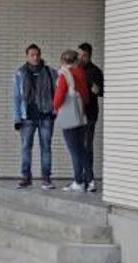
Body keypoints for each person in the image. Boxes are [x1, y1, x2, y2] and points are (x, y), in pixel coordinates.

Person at [11, 43, 56, 190]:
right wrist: (17, 118)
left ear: (40, 55)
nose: (35, 57)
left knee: (46, 147)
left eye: (37, 54)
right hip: (27, 117)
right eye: (32, 55)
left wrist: (54, 111)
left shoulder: (50, 72)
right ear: (27, 56)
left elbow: (57, 93)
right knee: (25, 147)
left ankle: (46, 178)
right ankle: (25, 176)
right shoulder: (20, 73)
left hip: (46, 116)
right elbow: (16, 97)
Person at [53, 49, 91, 192]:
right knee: (81, 149)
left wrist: (55, 108)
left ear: (63, 61)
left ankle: (78, 181)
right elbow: (86, 96)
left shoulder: (65, 74)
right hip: (80, 115)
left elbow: (59, 97)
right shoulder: (81, 73)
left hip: (69, 116)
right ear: (76, 60)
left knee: (74, 150)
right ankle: (89, 179)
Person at [78, 42, 103, 193]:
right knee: (78, 147)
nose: (81, 58)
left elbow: (102, 91)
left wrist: (97, 90)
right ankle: (80, 178)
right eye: (79, 55)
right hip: (76, 115)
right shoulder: (75, 69)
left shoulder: (95, 71)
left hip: (89, 114)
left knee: (87, 147)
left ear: (89, 56)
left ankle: (89, 179)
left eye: (84, 56)